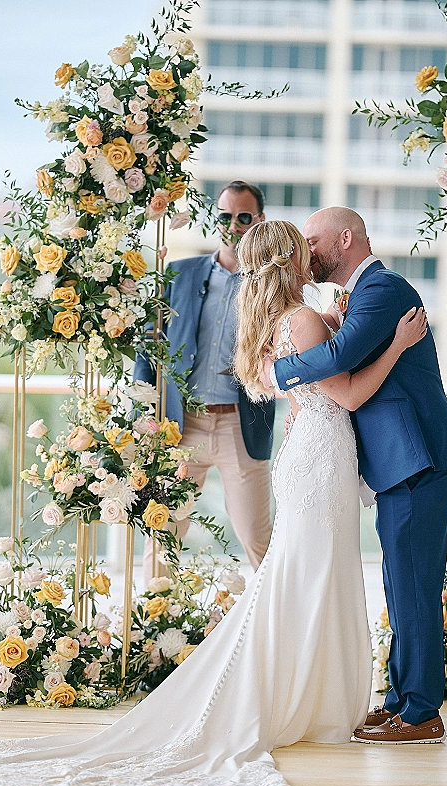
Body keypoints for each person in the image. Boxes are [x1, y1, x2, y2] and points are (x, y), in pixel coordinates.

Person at [0, 221, 427, 786]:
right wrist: (397, 344)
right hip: (321, 455)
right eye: (307, 250)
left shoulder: (273, 321)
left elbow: (305, 383)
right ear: (292, 261)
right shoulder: (299, 318)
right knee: (314, 571)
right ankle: (309, 698)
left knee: (302, 571)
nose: (314, 255)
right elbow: (345, 394)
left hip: (310, 452)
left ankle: (305, 692)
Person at [263, 207, 447, 745]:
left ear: (344, 239)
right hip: (395, 463)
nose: (305, 253)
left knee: (415, 588)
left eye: (313, 240)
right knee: (400, 589)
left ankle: (422, 714)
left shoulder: (382, 290)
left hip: (415, 457)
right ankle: (402, 700)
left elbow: (337, 357)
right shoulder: (354, 297)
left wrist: (274, 369)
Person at [133, 180, 275, 581]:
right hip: (181, 425)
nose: (233, 226)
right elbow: (149, 351)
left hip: (239, 424)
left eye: (243, 217)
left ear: (259, 221)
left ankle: (279, 632)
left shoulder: (270, 284)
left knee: (256, 535)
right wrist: (144, 417)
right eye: (225, 216)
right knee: (163, 533)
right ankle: (157, 628)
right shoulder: (178, 275)